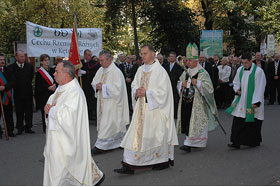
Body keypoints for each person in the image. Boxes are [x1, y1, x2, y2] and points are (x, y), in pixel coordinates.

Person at [114, 45, 178, 175]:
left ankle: (161, 161)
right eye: (141, 54)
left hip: (155, 111)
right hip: (141, 110)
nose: (142, 56)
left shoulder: (160, 71)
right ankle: (129, 163)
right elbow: (134, 85)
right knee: (135, 135)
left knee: (154, 137)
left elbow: (164, 93)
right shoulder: (140, 69)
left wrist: (147, 93)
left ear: (153, 54)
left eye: (145, 53)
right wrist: (136, 91)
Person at [43, 61, 104, 185]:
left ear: (66, 74)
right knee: (60, 171)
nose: (54, 74)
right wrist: (48, 109)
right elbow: (51, 103)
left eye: (57, 72)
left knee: (61, 171)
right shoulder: (61, 88)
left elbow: (69, 116)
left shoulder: (74, 92)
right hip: (56, 139)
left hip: (66, 141)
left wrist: (52, 111)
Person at [177, 45, 218, 153]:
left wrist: (198, 83)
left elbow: (209, 89)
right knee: (187, 120)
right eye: (187, 61)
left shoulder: (202, 73)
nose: (188, 63)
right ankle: (189, 141)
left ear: (196, 60)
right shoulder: (186, 72)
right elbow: (179, 82)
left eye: (190, 60)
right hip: (186, 101)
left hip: (197, 104)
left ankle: (192, 143)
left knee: (195, 121)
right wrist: (182, 84)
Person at [91, 50, 129, 154]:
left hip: (112, 103)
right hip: (102, 102)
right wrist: (97, 86)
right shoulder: (101, 70)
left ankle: (101, 146)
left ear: (109, 59)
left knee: (108, 124)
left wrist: (103, 87)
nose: (100, 63)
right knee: (108, 124)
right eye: (100, 60)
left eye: (102, 60)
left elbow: (118, 89)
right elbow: (94, 82)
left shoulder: (116, 72)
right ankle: (118, 142)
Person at [227, 53, 266, 149]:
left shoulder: (258, 72)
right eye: (242, 63)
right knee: (238, 121)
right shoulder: (240, 70)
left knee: (253, 121)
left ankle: (252, 141)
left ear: (250, 61)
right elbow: (236, 82)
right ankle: (236, 142)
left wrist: (256, 101)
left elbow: (260, 87)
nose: (244, 65)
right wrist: (237, 89)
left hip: (252, 100)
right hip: (242, 99)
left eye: (245, 63)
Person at [10, 51, 35, 135]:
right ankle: (19, 127)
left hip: (28, 92)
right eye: (21, 56)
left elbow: (31, 77)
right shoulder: (12, 67)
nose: (23, 58)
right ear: (16, 57)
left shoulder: (29, 66)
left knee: (29, 110)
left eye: (23, 56)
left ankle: (28, 127)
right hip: (18, 93)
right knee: (19, 111)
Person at [35, 54, 56, 133]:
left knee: (53, 110)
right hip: (44, 95)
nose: (47, 62)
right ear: (41, 62)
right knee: (45, 111)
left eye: (48, 60)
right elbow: (38, 86)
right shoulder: (39, 72)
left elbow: (56, 79)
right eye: (45, 60)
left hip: (52, 94)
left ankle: (53, 126)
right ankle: (46, 127)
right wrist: (47, 87)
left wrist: (55, 85)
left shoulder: (52, 70)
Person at [162, 51, 183, 119]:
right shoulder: (165, 66)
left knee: (175, 100)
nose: (170, 58)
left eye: (172, 56)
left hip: (174, 86)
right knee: (167, 100)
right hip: (166, 87)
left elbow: (178, 75)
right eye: (170, 56)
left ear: (175, 58)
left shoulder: (178, 66)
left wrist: (170, 80)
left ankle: (175, 114)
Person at [81, 52, 101, 121]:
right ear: (85, 55)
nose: (90, 56)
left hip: (92, 85)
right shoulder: (80, 63)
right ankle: (88, 116)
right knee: (85, 101)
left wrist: (86, 73)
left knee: (93, 101)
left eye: (90, 55)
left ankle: (95, 116)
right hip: (83, 85)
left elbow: (96, 73)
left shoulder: (95, 63)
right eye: (88, 55)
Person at [0, 54, 16, 138]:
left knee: (9, 115)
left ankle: (10, 131)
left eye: (3, 59)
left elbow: (13, 81)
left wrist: (4, 87)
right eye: (0, 60)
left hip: (7, 95)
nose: (2, 61)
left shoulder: (8, 70)